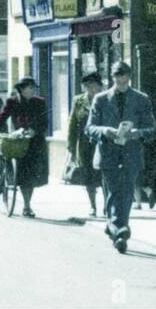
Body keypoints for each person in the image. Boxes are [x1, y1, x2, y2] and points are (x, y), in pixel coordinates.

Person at [86, 61, 156, 254]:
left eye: (124, 75)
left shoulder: (141, 99)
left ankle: (116, 227)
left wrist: (137, 133)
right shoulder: (100, 99)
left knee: (126, 192)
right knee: (113, 191)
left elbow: (152, 129)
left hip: (131, 153)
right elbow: (89, 128)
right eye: (117, 75)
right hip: (108, 152)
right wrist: (105, 130)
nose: (121, 79)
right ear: (112, 77)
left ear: (130, 76)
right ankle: (120, 229)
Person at [0, 77, 49, 217]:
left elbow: (44, 122)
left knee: (31, 177)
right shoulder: (13, 102)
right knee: (22, 175)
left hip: (35, 142)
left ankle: (27, 205)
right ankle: (27, 205)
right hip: (19, 142)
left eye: (33, 88)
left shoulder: (39, 102)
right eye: (30, 88)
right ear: (21, 89)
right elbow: (2, 116)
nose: (32, 90)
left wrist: (35, 130)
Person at [66, 71, 104, 217]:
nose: (91, 89)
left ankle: (107, 206)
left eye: (94, 86)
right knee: (88, 176)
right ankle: (93, 206)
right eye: (87, 86)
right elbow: (72, 123)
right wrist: (71, 146)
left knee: (103, 175)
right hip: (84, 145)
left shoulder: (106, 99)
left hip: (102, 143)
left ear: (100, 86)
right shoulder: (78, 100)